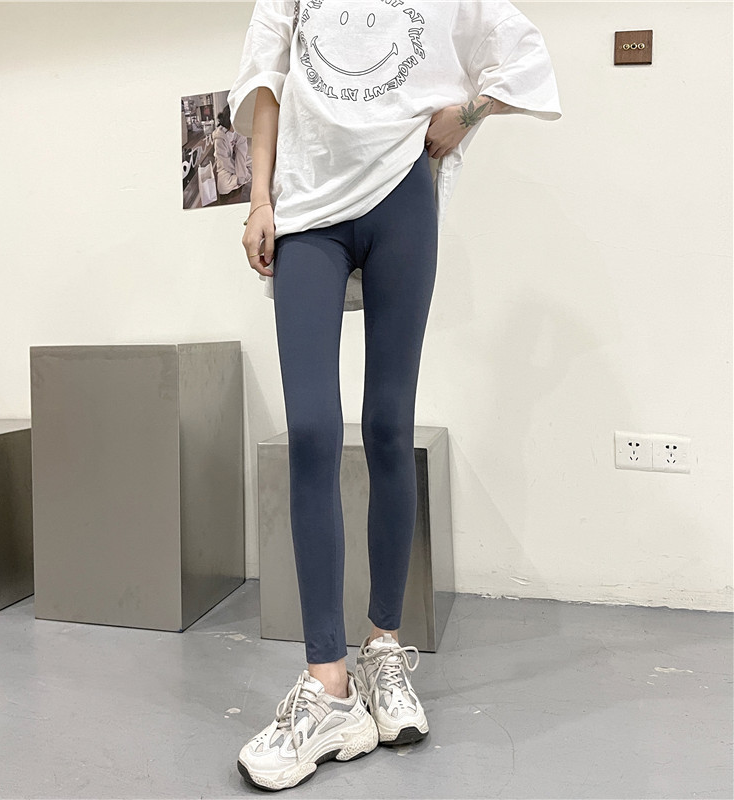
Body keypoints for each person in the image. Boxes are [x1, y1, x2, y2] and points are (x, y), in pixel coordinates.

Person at [227, 0, 561, 790]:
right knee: (312, 430)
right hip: (307, 209)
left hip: (402, 197)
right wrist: (260, 200)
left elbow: (520, 53)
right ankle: (328, 686)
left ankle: (382, 648)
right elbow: (265, 78)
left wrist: (467, 113)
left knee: (387, 424)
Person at [212, 104, 252, 196]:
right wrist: (240, 173)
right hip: (225, 165)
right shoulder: (219, 137)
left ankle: (239, 179)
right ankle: (243, 178)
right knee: (223, 187)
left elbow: (241, 154)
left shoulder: (240, 131)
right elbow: (225, 161)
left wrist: (241, 174)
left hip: (237, 161)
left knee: (257, 164)